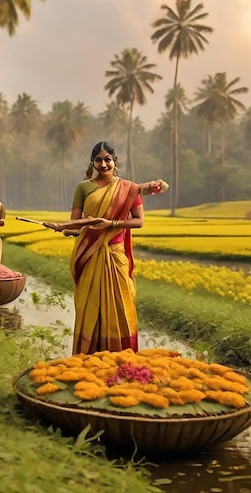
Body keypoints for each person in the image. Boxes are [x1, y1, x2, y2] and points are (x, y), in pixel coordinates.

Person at [44, 141, 167, 356]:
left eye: (107, 159)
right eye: (98, 160)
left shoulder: (129, 188)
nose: (103, 164)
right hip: (89, 257)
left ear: (115, 161)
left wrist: (111, 224)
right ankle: (88, 356)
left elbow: (139, 222)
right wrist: (62, 227)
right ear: (92, 162)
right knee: (90, 307)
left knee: (120, 306)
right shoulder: (83, 187)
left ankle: (122, 357)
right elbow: (76, 223)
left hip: (115, 256)